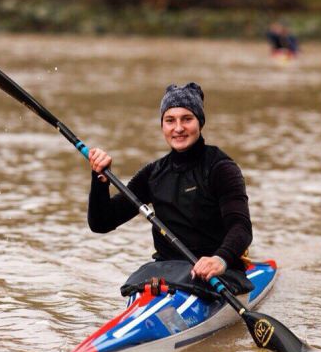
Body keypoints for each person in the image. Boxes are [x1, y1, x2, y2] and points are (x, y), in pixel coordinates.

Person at [87, 83, 254, 295]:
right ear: (162, 126)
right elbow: (101, 223)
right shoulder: (153, 173)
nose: (178, 128)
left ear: (200, 122)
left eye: (187, 119)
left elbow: (241, 227)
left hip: (215, 273)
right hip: (166, 273)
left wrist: (220, 259)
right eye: (170, 120)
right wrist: (100, 179)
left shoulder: (221, 168)